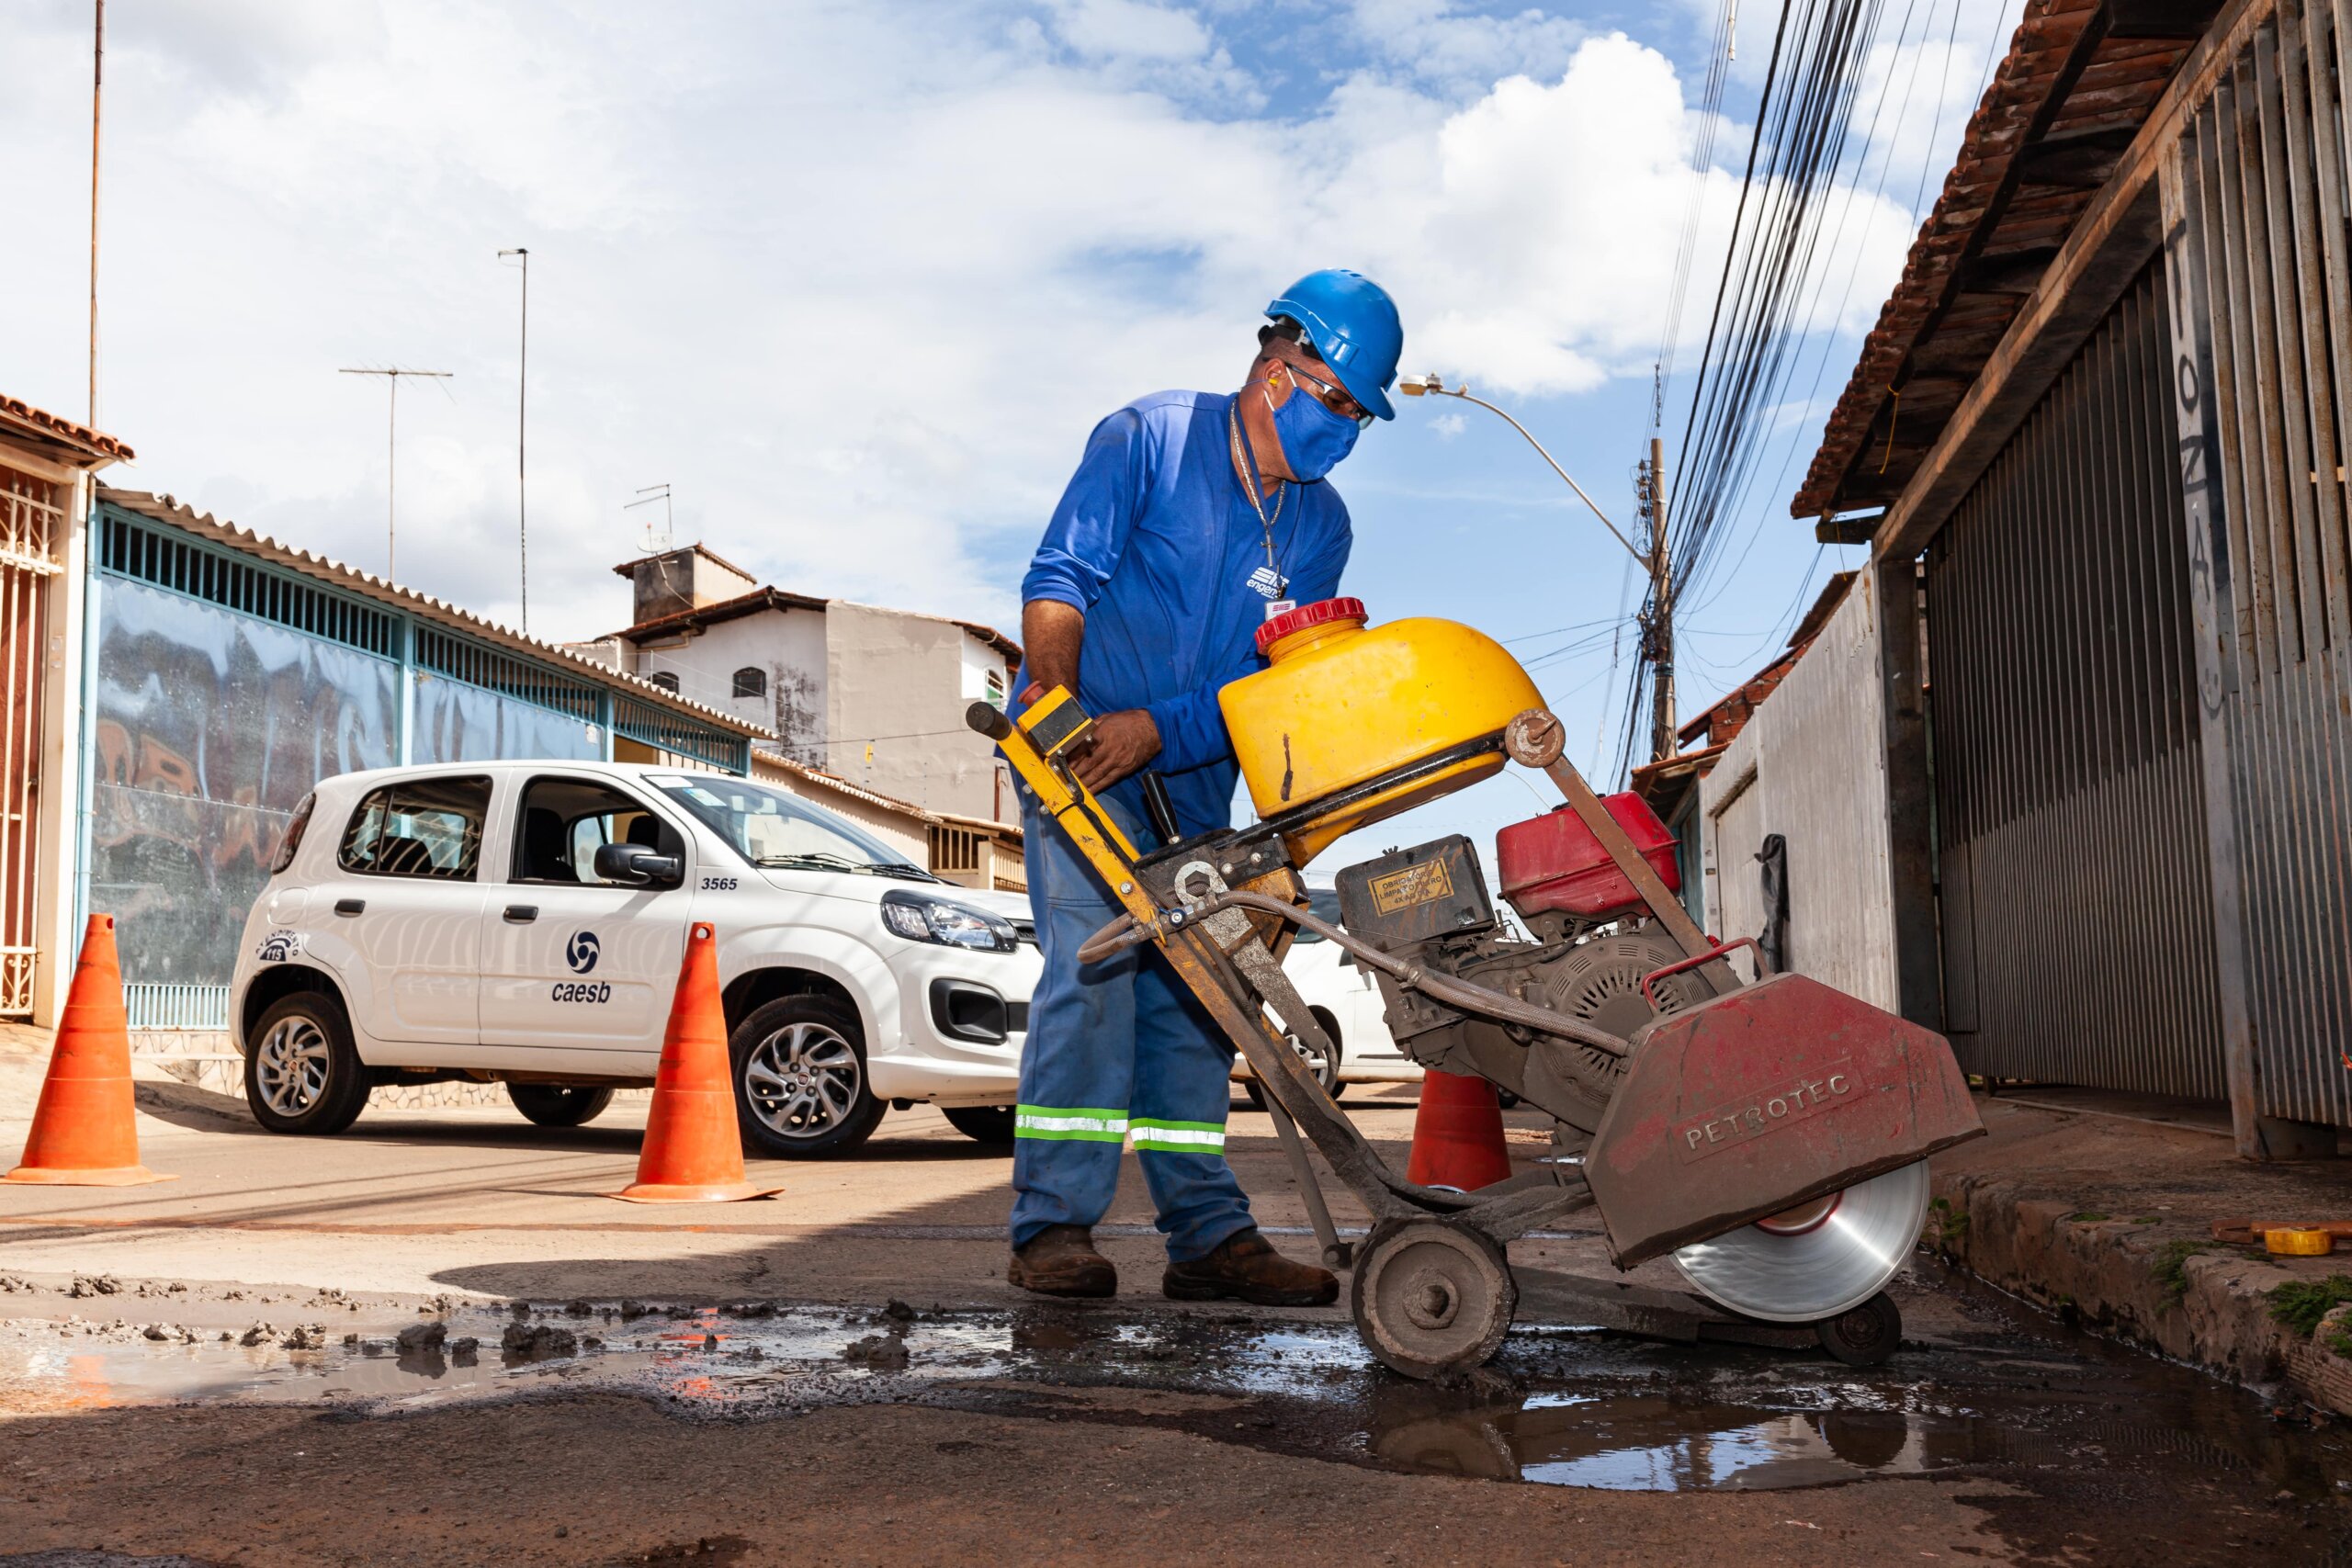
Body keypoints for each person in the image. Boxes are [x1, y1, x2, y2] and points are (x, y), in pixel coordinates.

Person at [1004, 269, 1403, 1303]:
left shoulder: (1321, 527)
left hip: (1192, 771)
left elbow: (1275, 683)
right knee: (1091, 980)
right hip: (1082, 759)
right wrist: (1055, 705)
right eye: (1338, 402)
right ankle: (1052, 1227)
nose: (1346, 430)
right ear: (1279, 370)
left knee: (1197, 999)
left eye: (1361, 417)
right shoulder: (1147, 439)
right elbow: (1060, 578)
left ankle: (1206, 1239)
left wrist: (1174, 739)